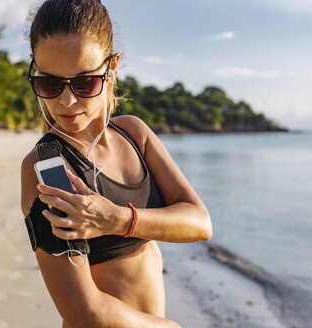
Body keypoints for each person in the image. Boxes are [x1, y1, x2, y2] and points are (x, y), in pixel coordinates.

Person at [20, 0, 212, 327]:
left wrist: (117, 219)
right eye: (50, 84)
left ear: (111, 69)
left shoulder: (134, 133)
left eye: (84, 83)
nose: (66, 101)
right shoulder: (49, 166)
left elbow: (200, 223)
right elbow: (83, 312)